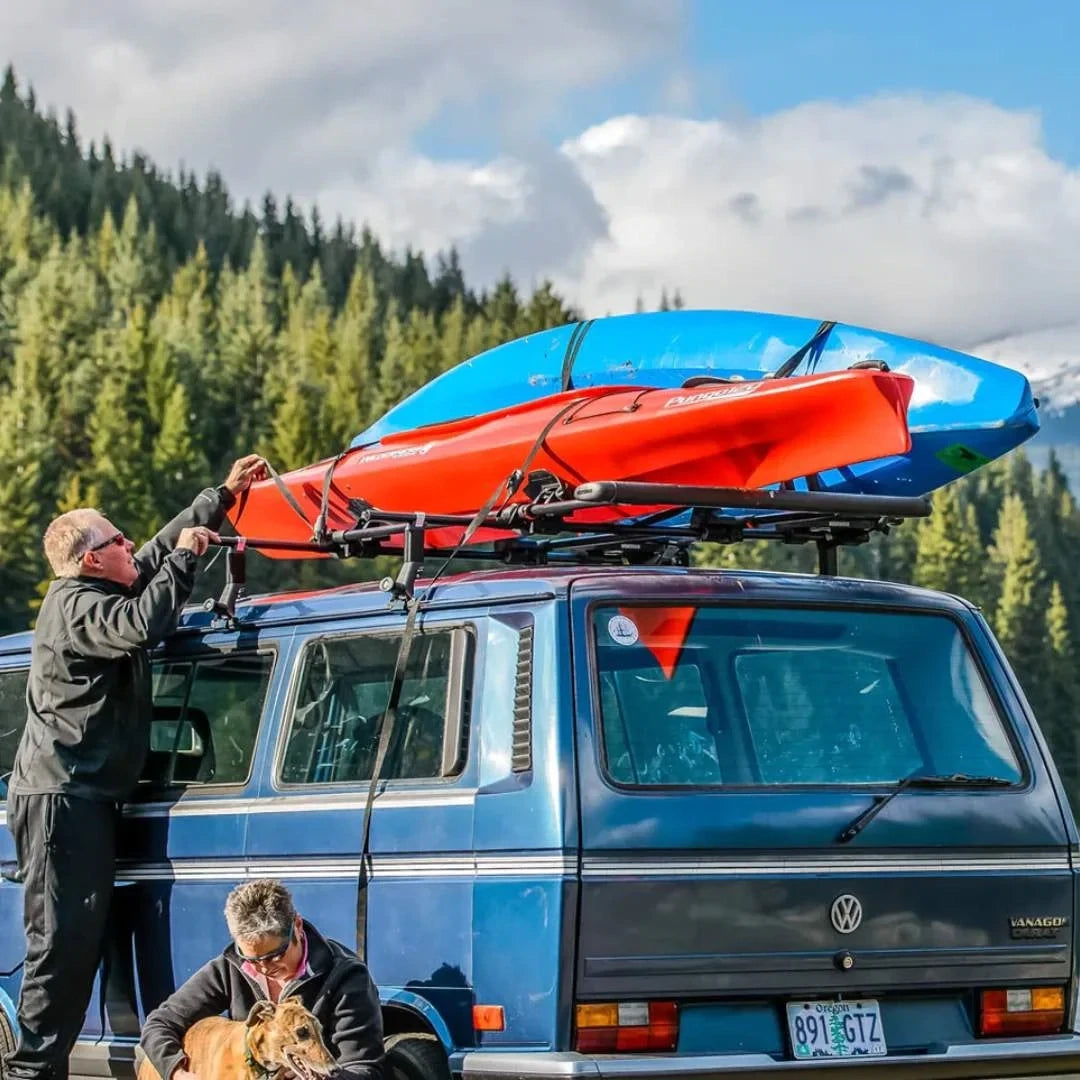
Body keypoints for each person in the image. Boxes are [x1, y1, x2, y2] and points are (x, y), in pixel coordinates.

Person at [2, 455, 267, 1080]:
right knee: (61, 950)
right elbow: (142, 623)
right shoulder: (77, 607)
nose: (131, 544)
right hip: (61, 799)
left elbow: (150, 556)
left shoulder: (101, 584)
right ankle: (30, 1073)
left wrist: (220, 498)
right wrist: (183, 559)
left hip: (86, 798)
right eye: (117, 538)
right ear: (93, 558)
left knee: (81, 944)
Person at [139, 879, 384, 1080]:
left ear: (297, 926)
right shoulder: (231, 966)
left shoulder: (347, 977)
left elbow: (363, 1069)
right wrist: (176, 1072)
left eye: (275, 956)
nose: (263, 968)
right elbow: (160, 1023)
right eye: (252, 959)